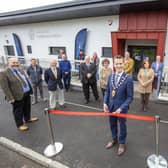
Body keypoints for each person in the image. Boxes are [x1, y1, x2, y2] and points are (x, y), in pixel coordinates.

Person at [103, 55, 133, 156]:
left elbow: (130, 97)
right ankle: (114, 139)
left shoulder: (128, 79)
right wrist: (105, 103)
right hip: (111, 107)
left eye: (120, 63)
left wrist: (121, 108)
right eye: (117, 63)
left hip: (121, 109)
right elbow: (107, 91)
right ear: (114, 64)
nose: (118, 65)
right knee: (112, 125)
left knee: (122, 126)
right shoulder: (111, 76)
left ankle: (122, 143)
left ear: (123, 64)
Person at [0, 57, 38, 131]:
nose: (15, 64)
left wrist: (30, 90)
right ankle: (20, 124)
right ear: (9, 63)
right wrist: (10, 98)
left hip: (26, 93)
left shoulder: (20, 70)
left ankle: (28, 119)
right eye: (13, 63)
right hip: (16, 96)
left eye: (17, 62)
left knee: (27, 107)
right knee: (18, 111)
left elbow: (25, 80)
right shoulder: (4, 73)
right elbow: (5, 87)